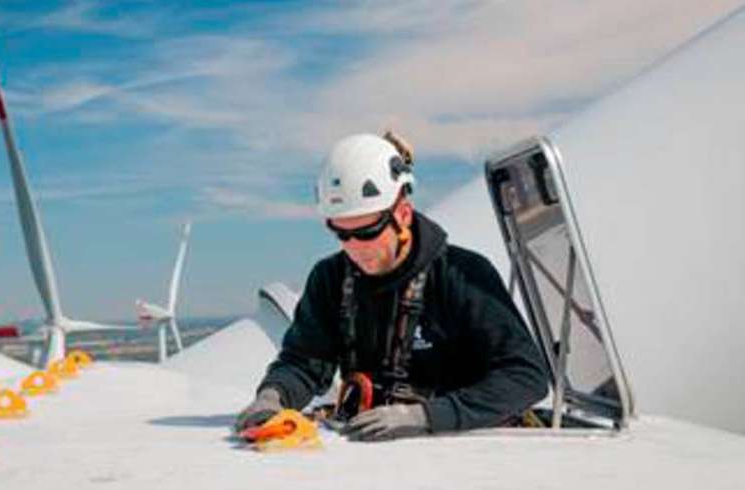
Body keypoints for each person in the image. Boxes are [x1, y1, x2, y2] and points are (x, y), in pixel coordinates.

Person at [234, 132, 549, 441]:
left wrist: (427, 417)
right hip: (371, 451)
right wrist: (273, 396)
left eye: (368, 232)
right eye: (342, 234)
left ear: (402, 214)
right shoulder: (330, 279)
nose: (355, 247)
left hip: (461, 451)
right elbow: (303, 363)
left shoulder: (462, 276)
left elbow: (525, 377)